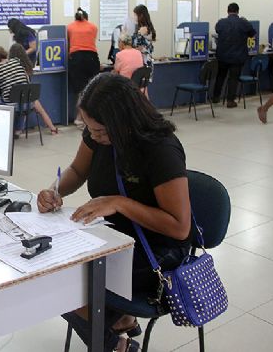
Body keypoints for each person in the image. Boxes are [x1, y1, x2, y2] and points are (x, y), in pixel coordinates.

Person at [37, 73, 192, 352]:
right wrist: (55, 191)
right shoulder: (98, 134)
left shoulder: (161, 148)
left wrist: (121, 203)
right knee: (48, 267)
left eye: (101, 131)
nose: (94, 137)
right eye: (90, 129)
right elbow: (76, 171)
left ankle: (115, 345)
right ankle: (117, 322)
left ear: (125, 121)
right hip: (116, 238)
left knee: (64, 285)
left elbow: (180, 227)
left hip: (157, 249)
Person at [0, 45, 58, 136]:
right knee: (26, 99)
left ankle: (1, 131)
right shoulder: (16, 61)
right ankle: (52, 128)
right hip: (27, 103)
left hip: (11, 104)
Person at [213, 3, 257, 108]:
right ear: (238, 11)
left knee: (220, 76)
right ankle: (230, 101)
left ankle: (215, 97)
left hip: (222, 56)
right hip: (237, 56)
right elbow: (252, 33)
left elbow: (217, 30)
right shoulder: (243, 23)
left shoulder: (221, 22)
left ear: (227, 11)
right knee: (233, 78)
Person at [67, 7, 100, 127]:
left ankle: (80, 118)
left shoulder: (69, 27)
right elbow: (91, 42)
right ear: (86, 17)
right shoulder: (93, 27)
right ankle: (86, 117)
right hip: (92, 58)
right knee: (92, 88)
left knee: (82, 91)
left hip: (76, 59)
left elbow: (69, 43)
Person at [126, 4, 156, 69]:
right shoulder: (141, 28)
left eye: (135, 15)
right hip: (141, 60)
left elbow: (135, 44)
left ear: (141, 16)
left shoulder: (144, 29)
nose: (134, 17)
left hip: (143, 62)